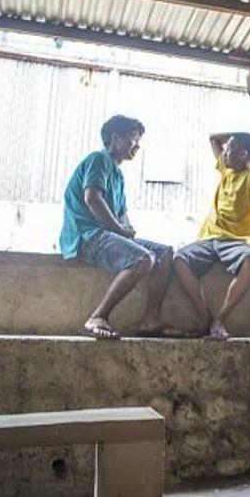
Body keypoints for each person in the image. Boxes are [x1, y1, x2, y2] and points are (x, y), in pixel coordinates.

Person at [59, 115, 176, 339]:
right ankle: (98, 316)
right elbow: (92, 198)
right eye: (133, 139)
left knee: (165, 253)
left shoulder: (118, 175)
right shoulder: (99, 159)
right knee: (143, 259)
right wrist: (120, 230)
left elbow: (122, 216)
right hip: (87, 236)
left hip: (107, 234)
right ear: (116, 138)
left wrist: (127, 230)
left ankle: (151, 318)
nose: (137, 146)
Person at [172, 132, 250, 341]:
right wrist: (247, 134)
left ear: (243, 155)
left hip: (235, 242)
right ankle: (205, 317)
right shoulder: (226, 170)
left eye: (230, 150)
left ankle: (220, 319)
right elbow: (213, 138)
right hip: (208, 239)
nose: (224, 153)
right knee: (178, 259)